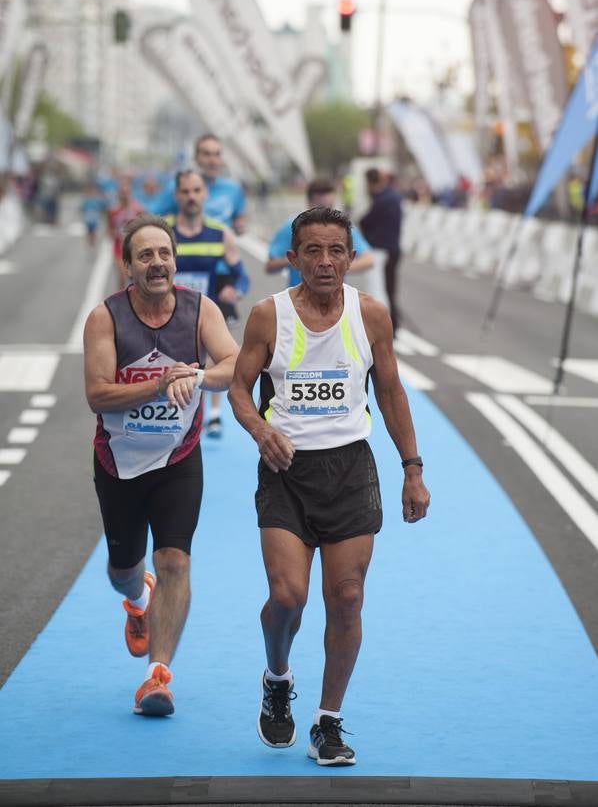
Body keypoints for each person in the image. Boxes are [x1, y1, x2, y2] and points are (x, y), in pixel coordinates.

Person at [228, 206, 430, 766]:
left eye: (335, 251)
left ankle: (328, 721)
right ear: (292, 258)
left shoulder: (371, 316)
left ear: (351, 257)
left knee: (347, 598)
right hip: (286, 473)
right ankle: (277, 677)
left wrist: (412, 469)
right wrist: (259, 428)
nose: (324, 262)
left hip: (351, 470)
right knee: (288, 597)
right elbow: (239, 389)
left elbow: (390, 392)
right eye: (311, 251)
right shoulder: (268, 317)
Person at [83, 214, 239, 717]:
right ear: (127, 265)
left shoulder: (199, 312)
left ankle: (158, 676)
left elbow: (235, 365)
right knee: (124, 569)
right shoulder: (105, 318)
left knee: (175, 560)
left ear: (175, 262)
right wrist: (156, 384)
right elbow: (98, 395)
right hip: (119, 464)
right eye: (145, 255)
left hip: (177, 460)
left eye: (164, 254)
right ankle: (135, 599)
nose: (157, 263)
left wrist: (197, 375)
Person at [169, 169, 250, 438]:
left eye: (196, 191)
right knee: (179, 368)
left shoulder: (220, 234)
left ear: (205, 195)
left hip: (206, 313)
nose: (191, 196)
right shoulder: (163, 231)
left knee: (220, 357)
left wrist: (233, 291)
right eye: (185, 191)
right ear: (176, 195)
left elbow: (242, 277)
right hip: (169, 315)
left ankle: (214, 415)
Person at [194, 133, 248, 436]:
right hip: (189, 269)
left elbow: (240, 218)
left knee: (218, 348)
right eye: (206, 153)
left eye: (216, 153)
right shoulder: (183, 187)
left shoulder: (232, 189)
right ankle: (192, 409)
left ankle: (214, 413)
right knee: (189, 347)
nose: (212, 159)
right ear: (197, 157)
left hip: (222, 274)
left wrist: (238, 227)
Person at [265, 177, 374, 286]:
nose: (326, 212)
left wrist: (336, 268)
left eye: (330, 206)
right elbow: (270, 266)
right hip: (299, 300)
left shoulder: (341, 226)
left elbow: (368, 260)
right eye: (321, 207)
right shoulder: (292, 226)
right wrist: (298, 259)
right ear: (309, 203)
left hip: (335, 299)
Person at [359, 168, 403, 334]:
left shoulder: (382, 199)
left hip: (380, 248)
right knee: (389, 288)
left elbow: (366, 221)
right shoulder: (393, 197)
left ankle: (385, 325)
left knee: (378, 288)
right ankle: (393, 324)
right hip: (393, 247)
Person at [107, 175, 144, 288]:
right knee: (122, 276)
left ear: (130, 193)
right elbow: (109, 229)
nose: (124, 195)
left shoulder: (138, 209)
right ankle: (121, 301)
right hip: (119, 247)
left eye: (126, 192)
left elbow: (143, 227)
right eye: (122, 192)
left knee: (135, 277)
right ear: (118, 193)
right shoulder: (113, 211)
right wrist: (116, 234)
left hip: (134, 247)